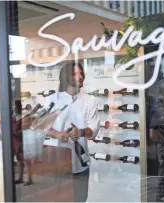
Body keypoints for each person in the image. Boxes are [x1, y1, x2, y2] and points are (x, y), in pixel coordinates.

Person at [44, 61, 100, 202]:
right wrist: (57, 134)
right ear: (66, 77)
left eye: (81, 73)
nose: (80, 76)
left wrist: (81, 132)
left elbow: (94, 128)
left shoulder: (90, 101)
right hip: (57, 162)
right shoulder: (52, 100)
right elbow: (42, 126)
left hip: (81, 163)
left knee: (80, 199)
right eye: (75, 74)